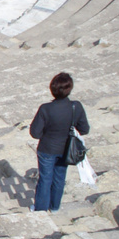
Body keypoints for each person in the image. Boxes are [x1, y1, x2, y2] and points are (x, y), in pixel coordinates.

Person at [29, 72, 90, 213]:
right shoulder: (76, 107)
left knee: (45, 178)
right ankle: (55, 207)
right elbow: (84, 129)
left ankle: (41, 208)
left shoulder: (45, 109)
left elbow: (35, 133)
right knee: (59, 177)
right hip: (66, 149)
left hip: (47, 148)